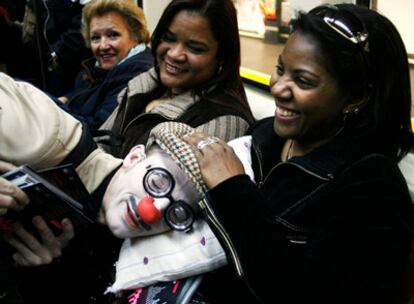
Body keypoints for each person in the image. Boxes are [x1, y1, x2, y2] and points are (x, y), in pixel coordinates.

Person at [182, 3, 414, 303]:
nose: (278, 88)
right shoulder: (264, 136)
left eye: (303, 81)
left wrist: (232, 191)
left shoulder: (371, 188)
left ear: (356, 97)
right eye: (280, 69)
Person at [97, 0, 255, 159]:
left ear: (222, 56)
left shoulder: (224, 121)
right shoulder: (146, 86)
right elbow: (98, 144)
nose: (174, 54)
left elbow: (146, 182)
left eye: (195, 48)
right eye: (169, 38)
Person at [56, 0, 154, 132]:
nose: (103, 46)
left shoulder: (137, 72)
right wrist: (67, 98)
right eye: (95, 38)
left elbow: (100, 127)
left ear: (136, 35)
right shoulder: (95, 68)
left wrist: (54, 112)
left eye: (113, 35)